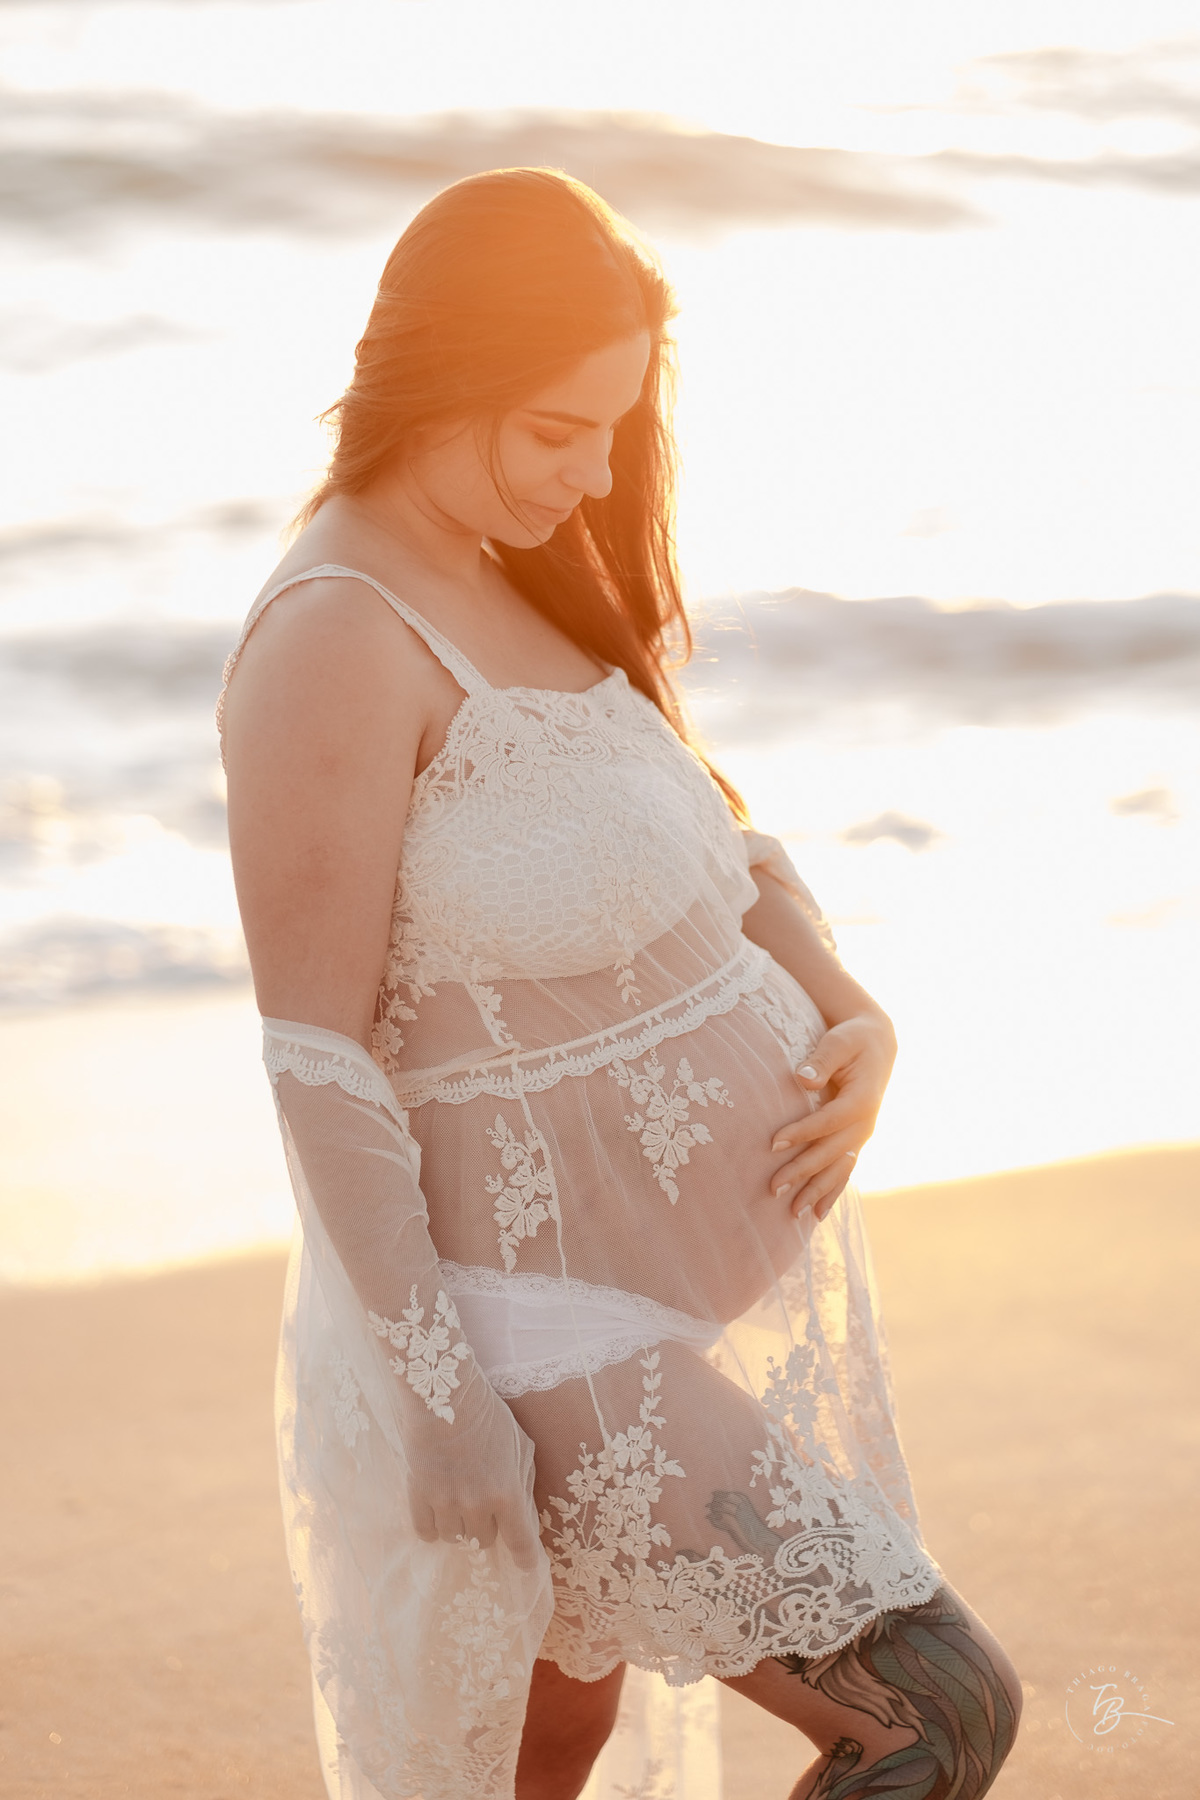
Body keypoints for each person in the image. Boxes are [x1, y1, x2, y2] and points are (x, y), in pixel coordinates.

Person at [218, 168, 1022, 1800]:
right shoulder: (334, 637)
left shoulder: (525, 562)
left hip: (640, 1315)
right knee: (939, 1714)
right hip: (523, 1341)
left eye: (613, 432)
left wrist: (851, 1005)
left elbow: (705, 837)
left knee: (544, 1751)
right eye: (554, 428)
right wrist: (444, 1406)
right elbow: (318, 1059)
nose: (590, 474)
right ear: (430, 379)